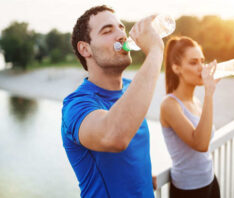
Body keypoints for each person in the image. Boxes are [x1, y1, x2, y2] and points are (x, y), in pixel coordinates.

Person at [61, 5, 164, 198]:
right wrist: (156, 51)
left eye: (121, 28)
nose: (121, 36)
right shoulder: (76, 106)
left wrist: (139, 176)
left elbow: (128, 154)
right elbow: (114, 136)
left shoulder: (130, 88)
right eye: (107, 31)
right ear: (85, 49)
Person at [160, 36, 221, 198]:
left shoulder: (196, 101)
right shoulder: (169, 105)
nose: (202, 68)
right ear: (177, 68)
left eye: (202, 61)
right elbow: (201, 144)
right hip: (189, 190)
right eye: (193, 63)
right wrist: (209, 92)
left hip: (210, 180)